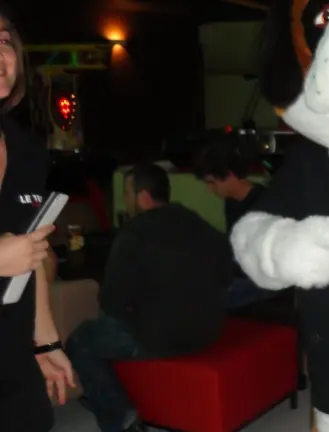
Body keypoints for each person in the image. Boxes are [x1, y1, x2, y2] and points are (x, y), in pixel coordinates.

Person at [65, 163, 233, 432]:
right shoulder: (194, 220)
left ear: (143, 196)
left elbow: (112, 302)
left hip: (162, 338)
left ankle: (120, 418)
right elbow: (226, 271)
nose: (125, 200)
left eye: (127, 193)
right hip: (208, 329)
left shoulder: (134, 232)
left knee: (80, 339)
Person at [0, 7, 76, 431]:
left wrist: (45, 341)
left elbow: (32, 255)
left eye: (3, 40)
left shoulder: (25, 149)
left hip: (12, 353)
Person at [193, 141, 277, 309]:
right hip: (241, 271)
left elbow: (262, 262)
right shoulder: (231, 202)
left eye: (211, 182)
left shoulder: (265, 203)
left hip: (263, 278)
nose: (209, 190)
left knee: (206, 295)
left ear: (229, 175)